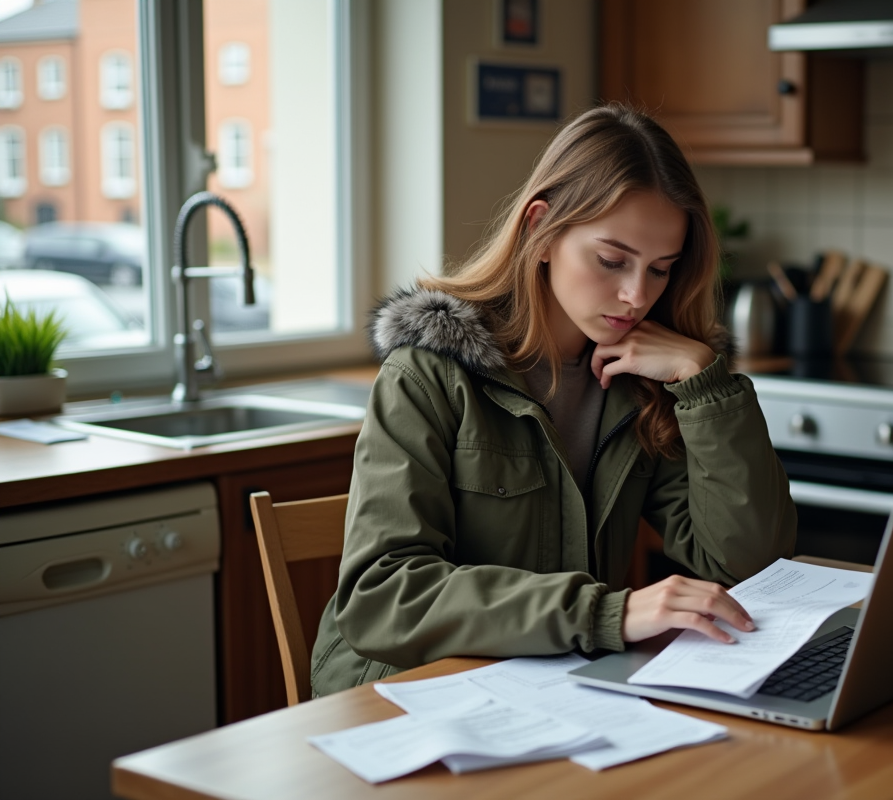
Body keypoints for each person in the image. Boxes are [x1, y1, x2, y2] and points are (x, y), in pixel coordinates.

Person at [310, 103, 797, 697]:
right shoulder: (428, 374)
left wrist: (705, 381)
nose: (635, 295)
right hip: (404, 694)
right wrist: (605, 614)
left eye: (661, 269)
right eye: (612, 260)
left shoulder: (645, 382)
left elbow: (745, 566)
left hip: (557, 686)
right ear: (542, 230)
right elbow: (381, 597)